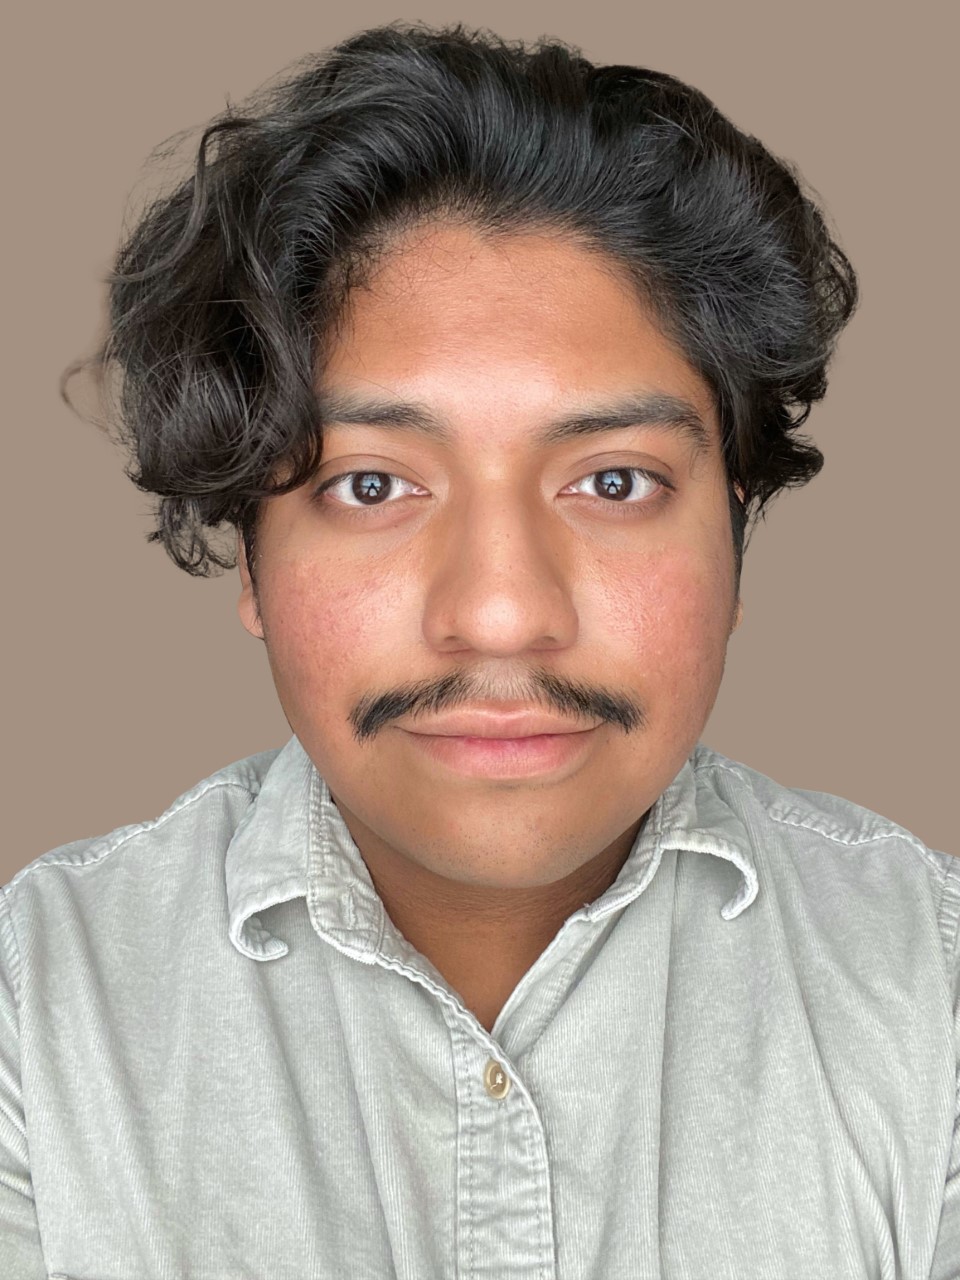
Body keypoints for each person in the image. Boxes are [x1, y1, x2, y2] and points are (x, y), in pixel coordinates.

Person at [1, 20, 955, 1279]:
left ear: (737, 528)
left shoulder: (931, 991)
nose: (502, 613)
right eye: (373, 485)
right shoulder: (38, 1012)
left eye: (612, 480)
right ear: (248, 554)